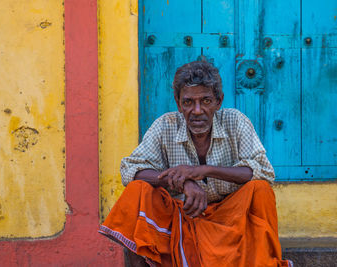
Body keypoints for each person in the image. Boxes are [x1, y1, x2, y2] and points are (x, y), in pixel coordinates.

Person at [99, 60, 292, 267]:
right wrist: (183, 182)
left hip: (231, 220)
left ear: (219, 101)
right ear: (178, 103)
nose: (197, 110)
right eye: (188, 102)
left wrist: (203, 170)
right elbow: (130, 170)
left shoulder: (235, 122)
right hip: (183, 218)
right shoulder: (166, 125)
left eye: (206, 101)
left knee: (260, 190)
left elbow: (264, 171)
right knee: (138, 190)